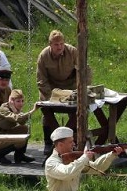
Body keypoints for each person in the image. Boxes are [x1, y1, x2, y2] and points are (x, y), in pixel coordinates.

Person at [36, 30, 92, 158]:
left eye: (61, 43)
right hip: (52, 88)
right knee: (46, 111)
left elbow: (85, 70)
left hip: (71, 86)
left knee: (77, 111)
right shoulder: (44, 56)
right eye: (56, 44)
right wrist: (51, 96)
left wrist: (81, 88)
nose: (59, 47)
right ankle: (48, 142)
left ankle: (74, 140)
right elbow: (41, 79)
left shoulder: (72, 51)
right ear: (50, 44)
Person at [0, 89, 37, 164]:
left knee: (24, 129)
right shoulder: (4, 108)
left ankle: (19, 156)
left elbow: (22, 122)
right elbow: (17, 118)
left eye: (22, 101)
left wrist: (15, 110)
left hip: (4, 133)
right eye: (18, 101)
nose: (21, 104)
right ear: (11, 101)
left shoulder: (15, 109)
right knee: (20, 141)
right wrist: (33, 110)